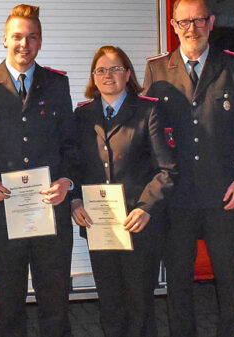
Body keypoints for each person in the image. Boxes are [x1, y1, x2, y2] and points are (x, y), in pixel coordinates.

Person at [143, 0, 234, 337]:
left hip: (224, 196)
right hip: (176, 198)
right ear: (173, 26)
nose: (191, 28)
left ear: (211, 23)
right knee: (178, 283)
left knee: (231, 282)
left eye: (198, 20)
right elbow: (148, 136)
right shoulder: (157, 69)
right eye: (184, 21)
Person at [0, 4, 77, 337]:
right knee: (9, 302)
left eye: (31, 37)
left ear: (40, 41)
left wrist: (67, 181)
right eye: (17, 37)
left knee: (55, 301)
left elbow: (71, 144)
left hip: (51, 213)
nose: (23, 45)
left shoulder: (56, 84)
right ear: (4, 39)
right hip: (4, 213)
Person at [71, 46, 177, 337]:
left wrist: (146, 208)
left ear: (128, 73)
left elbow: (167, 169)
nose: (109, 75)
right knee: (110, 303)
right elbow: (74, 165)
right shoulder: (82, 115)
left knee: (140, 304)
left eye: (116, 68)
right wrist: (75, 200)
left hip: (137, 224)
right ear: (94, 76)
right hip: (99, 225)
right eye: (101, 70)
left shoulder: (148, 111)